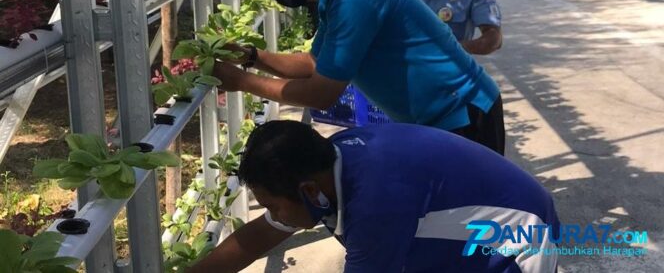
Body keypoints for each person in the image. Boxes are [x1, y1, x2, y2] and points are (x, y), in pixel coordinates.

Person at [215, 0, 505, 154]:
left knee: (468, 218)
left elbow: (321, 94)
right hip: (435, 119)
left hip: (464, 114)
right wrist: (251, 57)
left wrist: (241, 82)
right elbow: (314, 64)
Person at [189, 120, 560, 273]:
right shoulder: (325, 161)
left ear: (308, 191)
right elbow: (259, 236)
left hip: (521, 239)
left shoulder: (375, 206)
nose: (274, 215)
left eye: (272, 205)